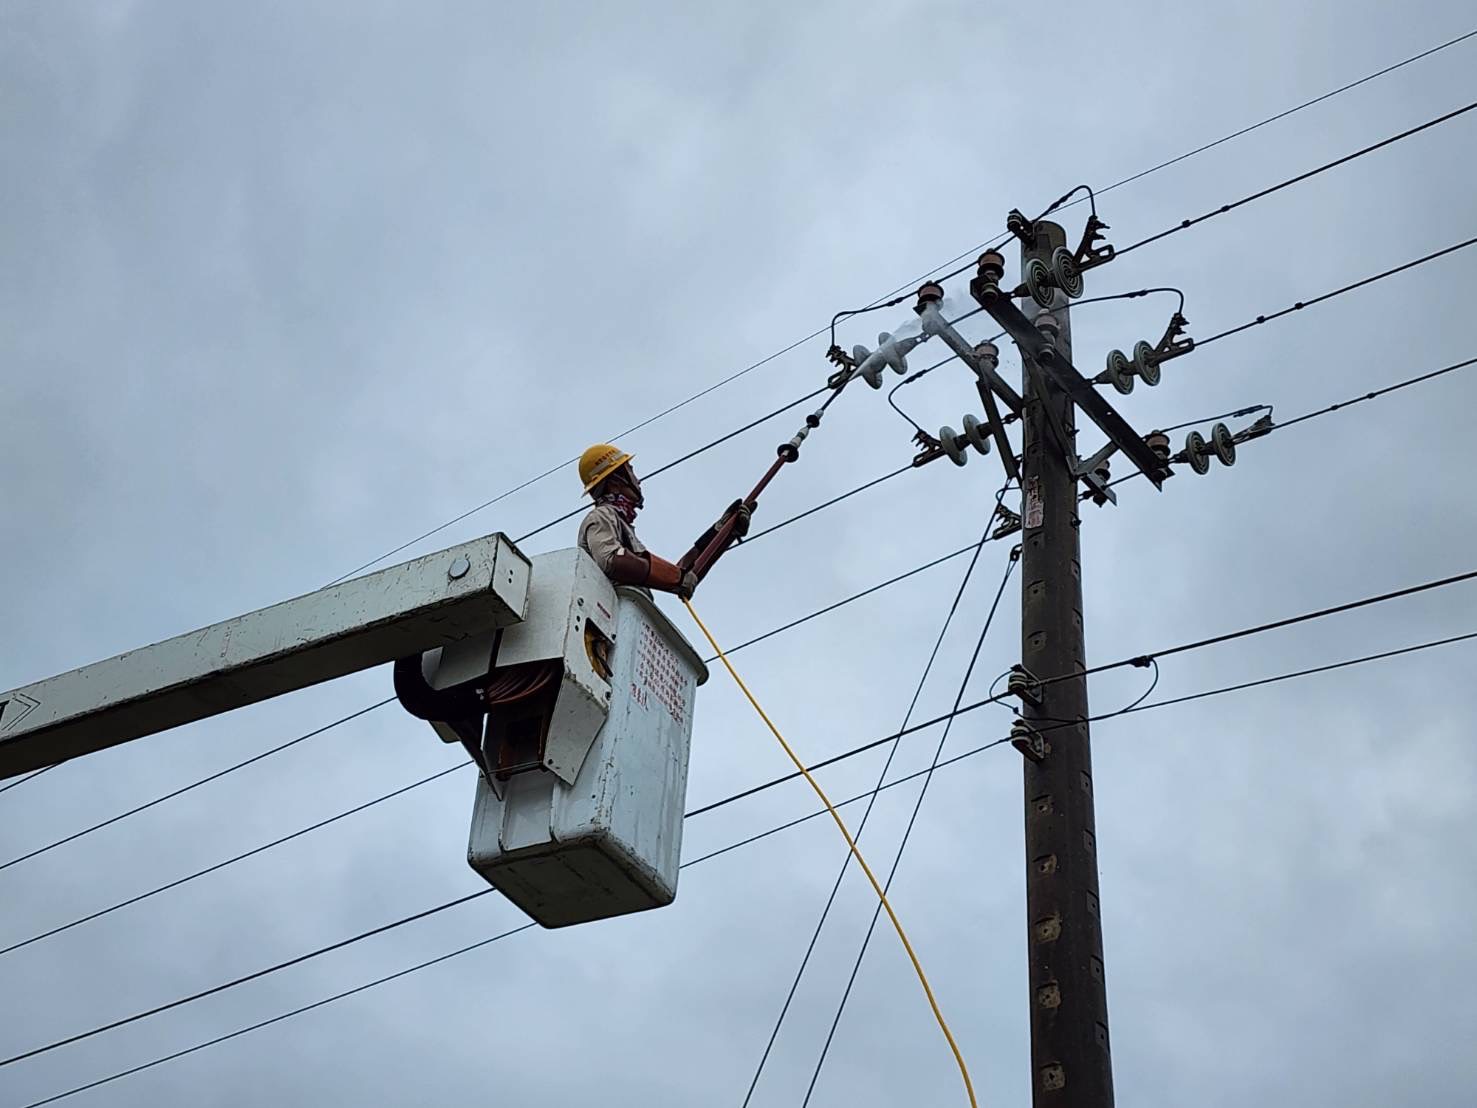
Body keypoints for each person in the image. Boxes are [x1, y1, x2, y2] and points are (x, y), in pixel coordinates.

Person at [576, 443, 750, 599]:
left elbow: (683, 574)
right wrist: (678, 579)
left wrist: (723, 533)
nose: (638, 480)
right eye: (631, 471)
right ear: (616, 481)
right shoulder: (601, 517)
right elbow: (613, 560)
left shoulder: (621, 526)